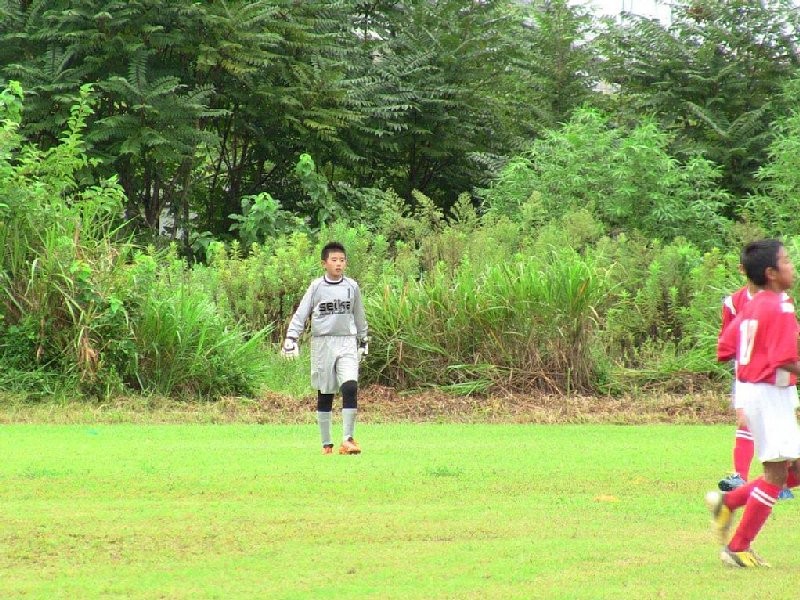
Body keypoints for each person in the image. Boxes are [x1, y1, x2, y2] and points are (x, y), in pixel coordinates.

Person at [706, 239, 800, 568]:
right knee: (775, 474)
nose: (792, 266)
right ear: (772, 273)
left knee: (793, 471)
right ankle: (737, 547)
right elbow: (784, 357)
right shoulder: (780, 305)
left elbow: (724, 348)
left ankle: (730, 501)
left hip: (758, 391)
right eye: (786, 261)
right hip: (770, 394)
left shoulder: (753, 304)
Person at [281, 241, 369, 455]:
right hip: (323, 343)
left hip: (346, 341)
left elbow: (359, 315)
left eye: (342, 260)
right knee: (325, 391)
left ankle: (347, 439)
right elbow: (302, 314)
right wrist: (291, 337)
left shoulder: (352, 287)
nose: (339, 264)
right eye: (334, 260)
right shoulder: (316, 287)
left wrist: (363, 339)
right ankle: (326, 443)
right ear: (324, 263)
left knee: (350, 386)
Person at [717, 263, 794, 499]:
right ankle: (742, 478)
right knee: (746, 421)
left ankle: (775, 484)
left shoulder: (781, 301)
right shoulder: (736, 302)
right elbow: (726, 343)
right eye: (785, 261)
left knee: (781, 432)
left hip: (776, 376)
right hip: (755, 375)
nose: (790, 267)